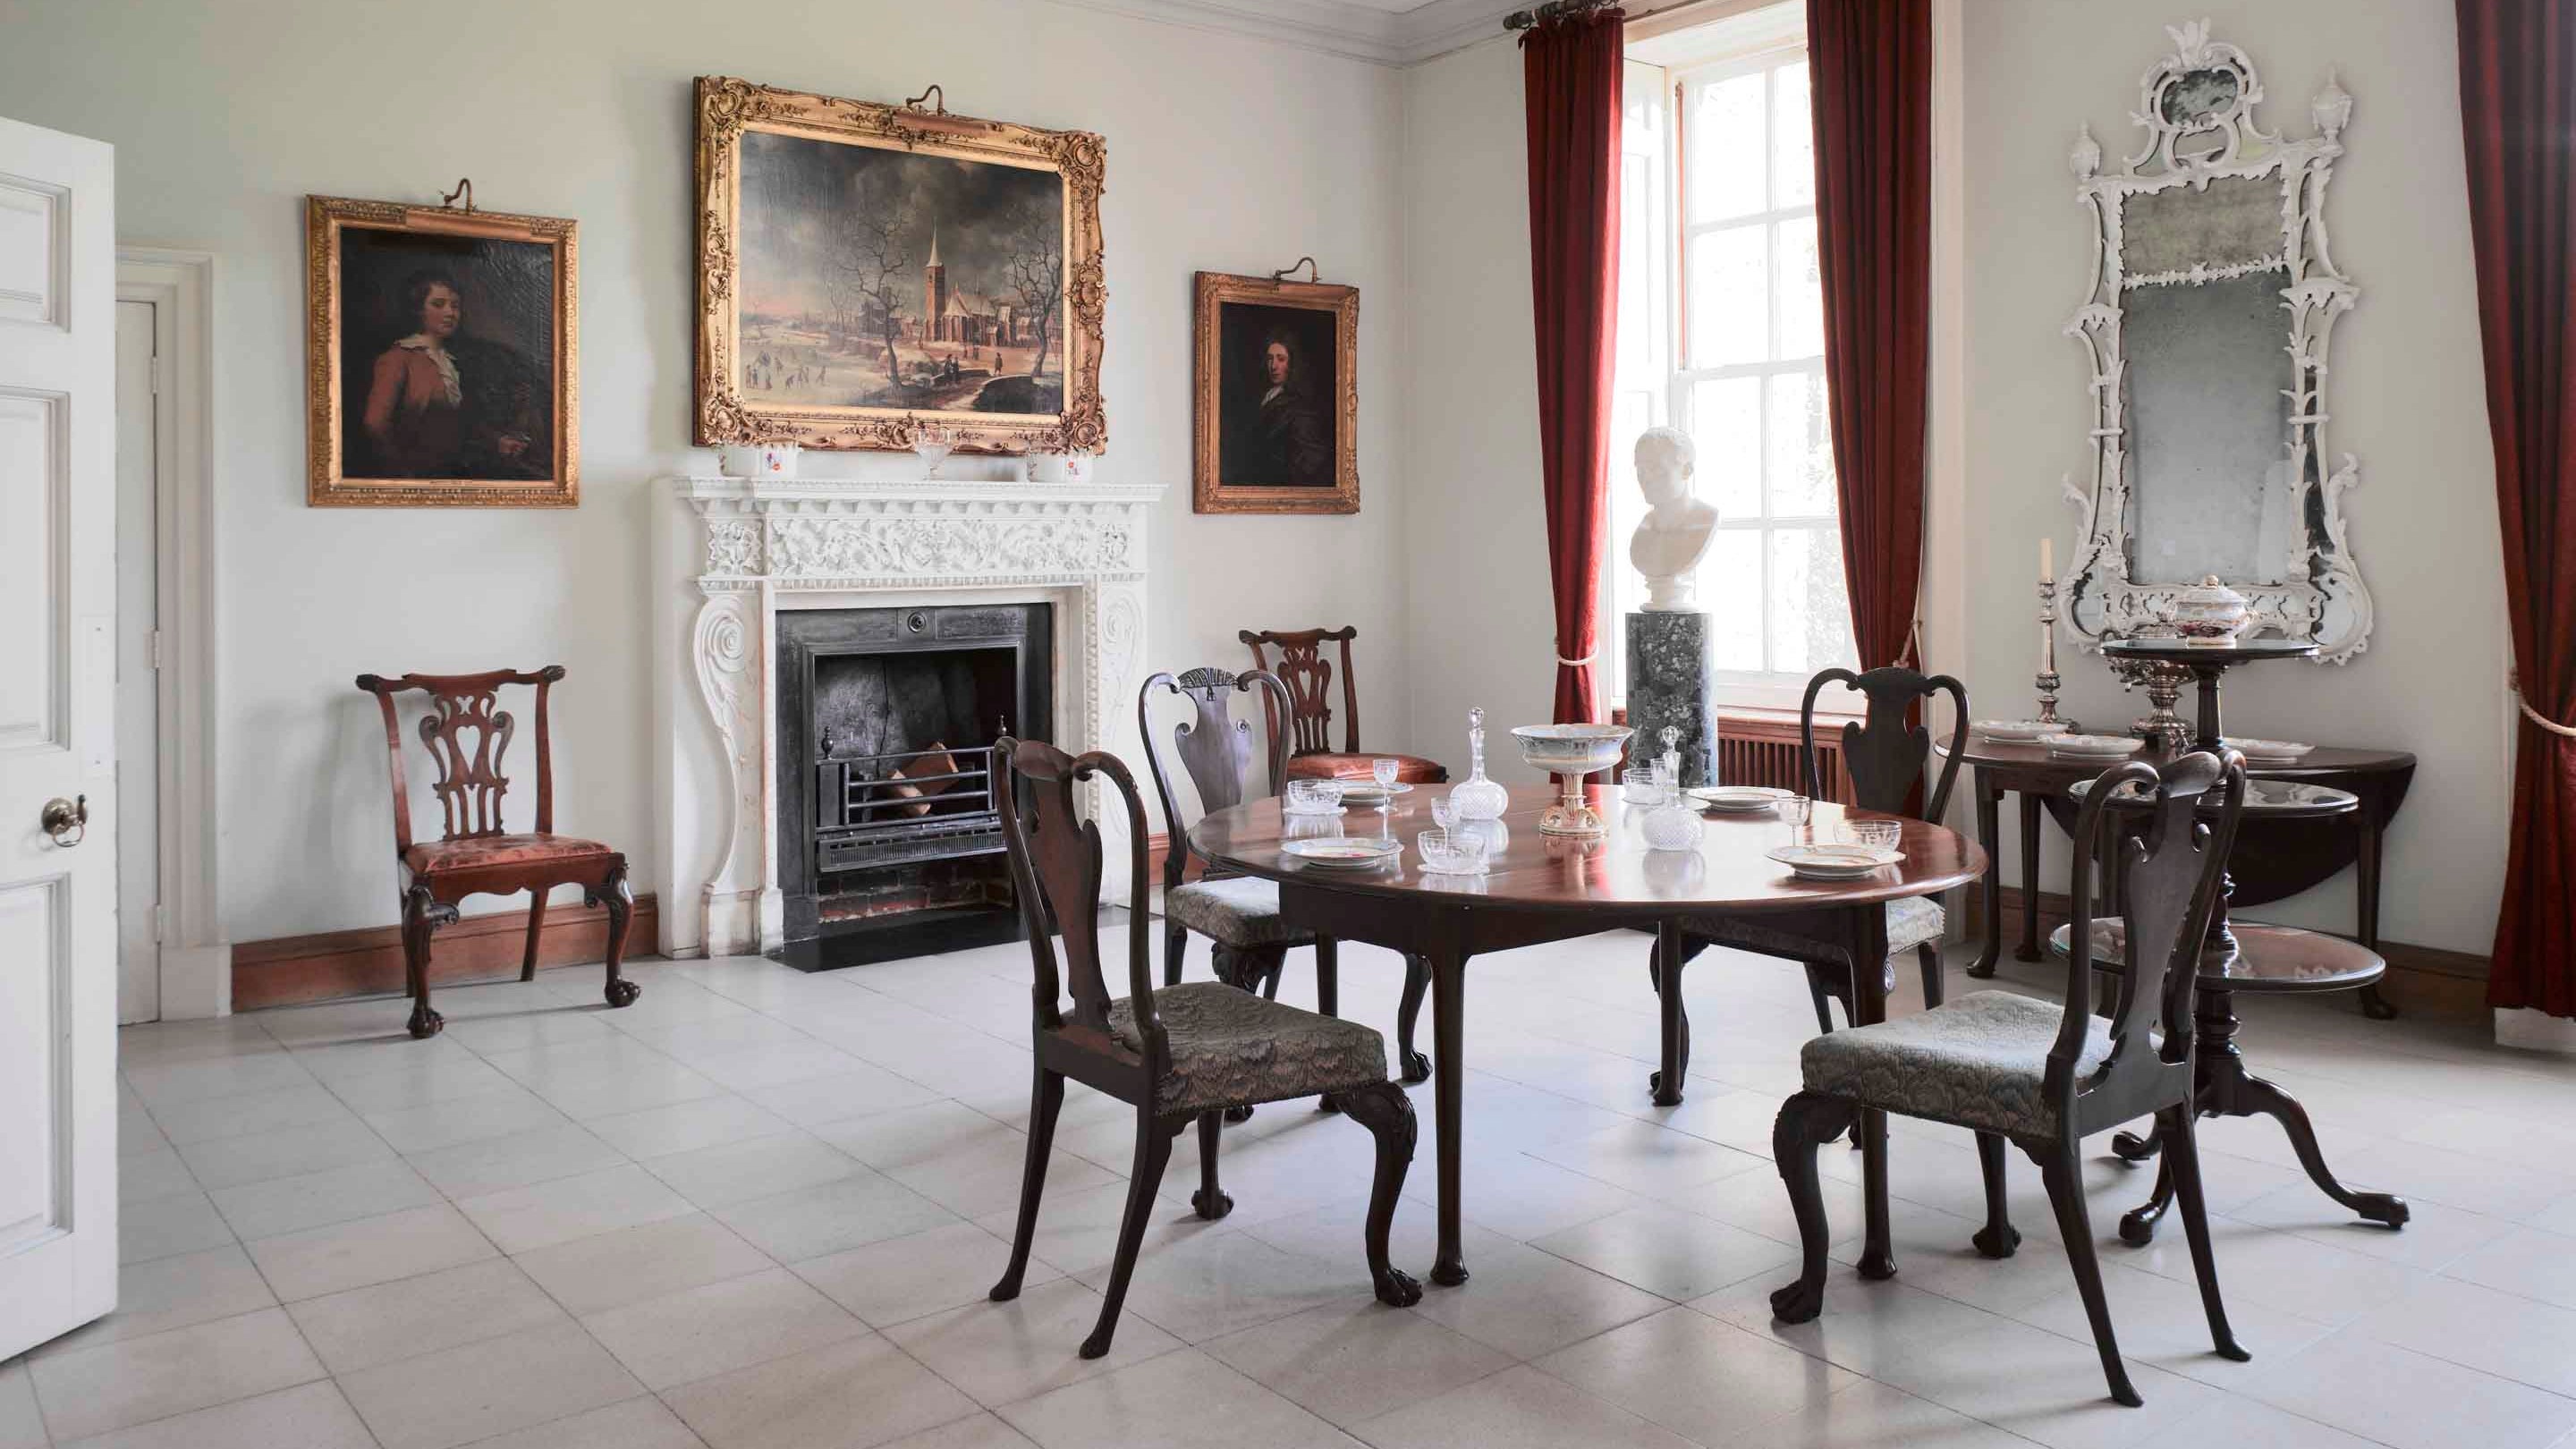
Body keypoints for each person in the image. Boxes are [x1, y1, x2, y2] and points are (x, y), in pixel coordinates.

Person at [1235, 331, 1332, 487]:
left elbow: (1310, 461)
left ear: (1292, 363)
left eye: (1281, 359)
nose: (1273, 366)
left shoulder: (1300, 408)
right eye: (1269, 359)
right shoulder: (1267, 395)